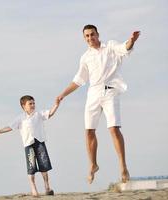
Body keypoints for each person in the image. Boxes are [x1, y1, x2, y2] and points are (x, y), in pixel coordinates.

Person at [57, 24, 140, 184]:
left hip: (110, 91)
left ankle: (123, 165)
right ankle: (93, 164)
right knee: (89, 131)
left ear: (97, 34)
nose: (90, 38)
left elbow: (124, 48)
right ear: (84, 38)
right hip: (93, 93)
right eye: (87, 36)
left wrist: (132, 40)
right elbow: (78, 80)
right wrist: (63, 94)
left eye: (92, 34)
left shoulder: (109, 46)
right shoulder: (85, 57)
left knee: (114, 129)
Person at [0, 95, 60, 197]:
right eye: (30, 104)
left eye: (33, 103)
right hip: (29, 144)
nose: (33, 105)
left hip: (40, 143)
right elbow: (10, 127)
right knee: (31, 168)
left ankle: (47, 187)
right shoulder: (20, 118)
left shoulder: (38, 114)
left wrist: (56, 104)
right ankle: (34, 189)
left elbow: (50, 113)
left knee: (44, 166)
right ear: (23, 106)